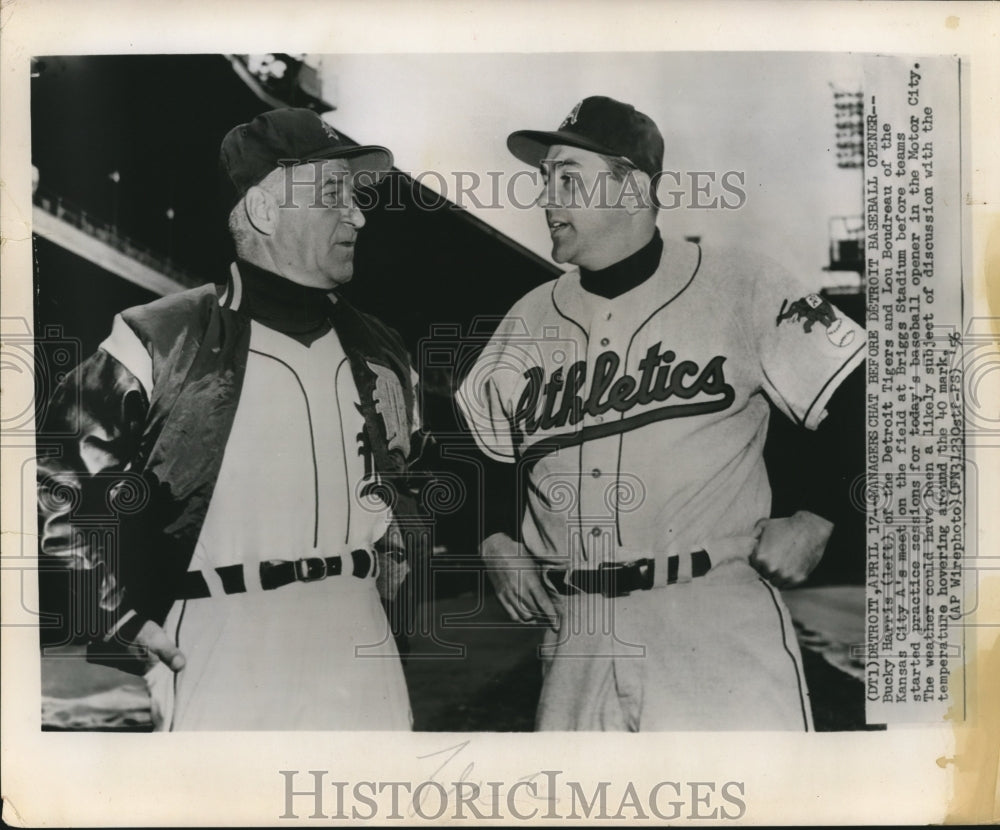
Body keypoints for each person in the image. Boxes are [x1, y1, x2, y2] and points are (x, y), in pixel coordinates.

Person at [457, 96, 865, 731]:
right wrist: (492, 539)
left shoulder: (740, 284)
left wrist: (820, 515)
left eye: (568, 177)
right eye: (545, 178)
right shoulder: (526, 319)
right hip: (576, 631)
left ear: (633, 188)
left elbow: (871, 394)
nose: (547, 198)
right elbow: (471, 446)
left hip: (711, 616)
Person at [37, 108, 421, 731]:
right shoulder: (159, 338)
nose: (357, 215)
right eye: (333, 193)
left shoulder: (383, 350)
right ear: (264, 210)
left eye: (355, 196)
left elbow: (407, 485)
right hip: (224, 633)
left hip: (361, 633)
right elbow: (56, 486)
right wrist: (112, 616)